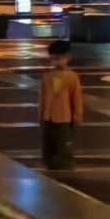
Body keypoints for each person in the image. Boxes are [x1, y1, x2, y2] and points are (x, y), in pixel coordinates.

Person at [38, 39, 83, 171]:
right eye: (53, 59)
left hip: (65, 116)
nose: (56, 62)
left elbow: (76, 98)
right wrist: (40, 114)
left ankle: (64, 163)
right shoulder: (47, 76)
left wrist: (77, 115)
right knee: (48, 142)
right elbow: (42, 97)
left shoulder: (72, 77)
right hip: (49, 116)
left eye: (59, 58)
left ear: (67, 58)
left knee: (64, 142)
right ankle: (49, 161)